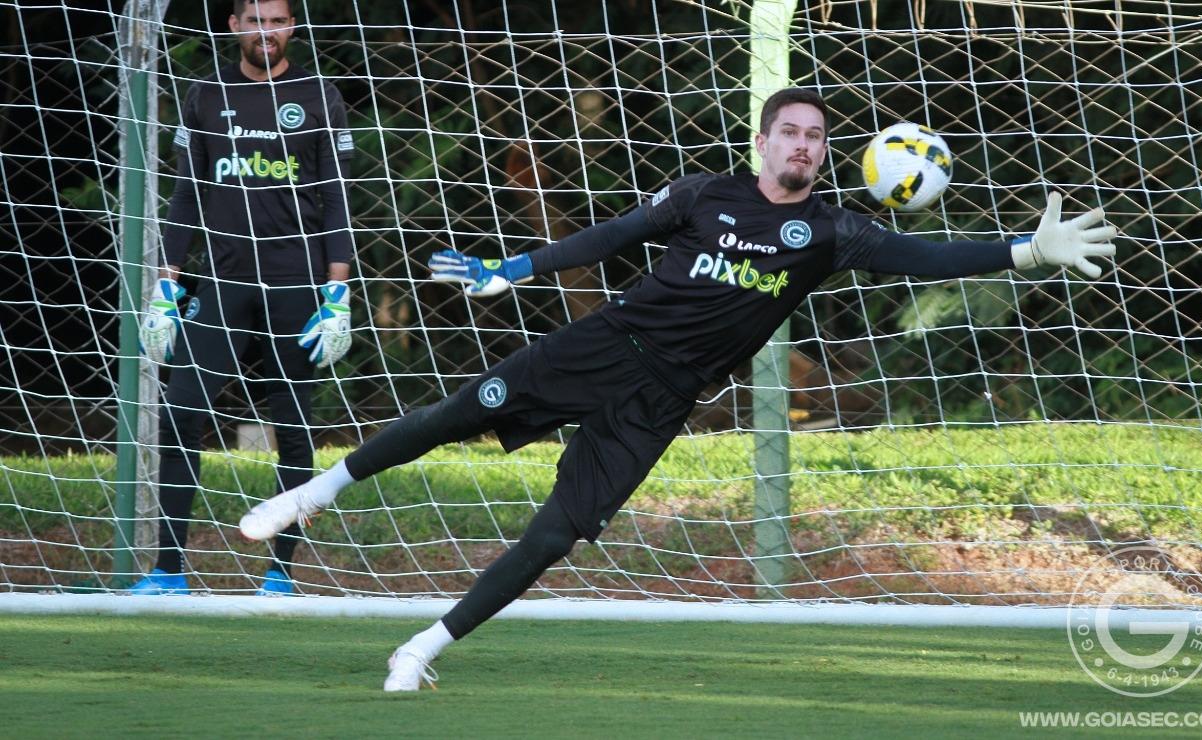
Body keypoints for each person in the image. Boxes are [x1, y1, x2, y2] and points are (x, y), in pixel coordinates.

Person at [240, 88, 1116, 688]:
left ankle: (420, 648)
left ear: (827, 155)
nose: (803, 146)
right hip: (603, 344)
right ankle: (312, 495)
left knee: (554, 535)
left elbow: (927, 255)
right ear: (765, 141)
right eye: (791, 133)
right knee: (454, 414)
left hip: (662, 402)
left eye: (816, 137)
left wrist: (1026, 252)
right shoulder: (706, 192)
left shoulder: (830, 231)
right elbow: (611, 235)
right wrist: (517, 266)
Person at [130, 0, 355, 596]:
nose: (266, 31)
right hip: (224, 283)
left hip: (298, 287)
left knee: (295, 428)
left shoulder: (319, 95)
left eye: (276, 20)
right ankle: (168, 571)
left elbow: (336, 199)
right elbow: (187, 196)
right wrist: (167, 280)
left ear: (291, 27)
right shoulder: (205, 94)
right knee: (181, 412)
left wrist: (338, 289)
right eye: (254, 20)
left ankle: (280, 574)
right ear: (234, 27)